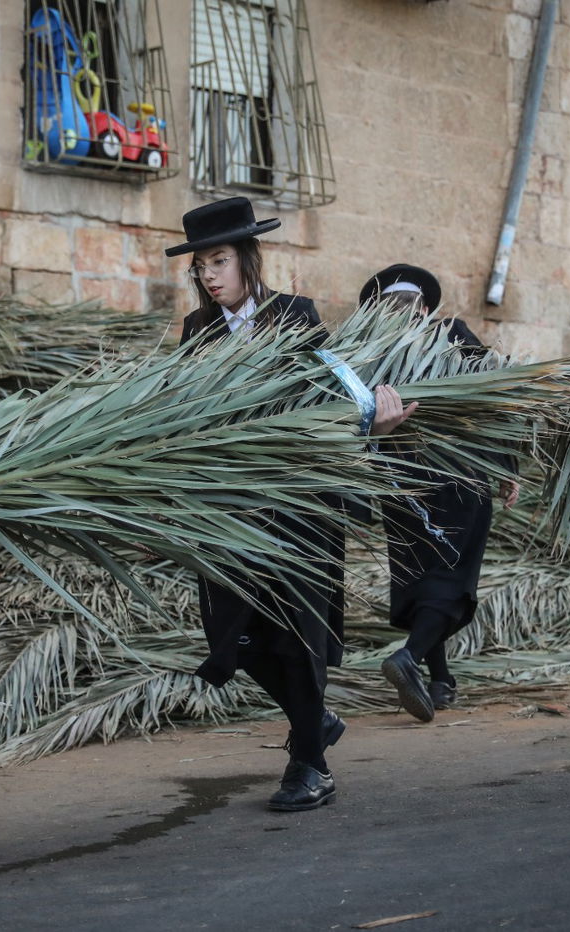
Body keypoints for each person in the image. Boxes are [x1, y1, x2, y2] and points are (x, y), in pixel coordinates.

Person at [166, 198, 413, 810]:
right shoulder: (197, 333)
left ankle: (310, 764)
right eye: (201, 266)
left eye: (219, 260)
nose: (210, 275)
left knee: (295, 635)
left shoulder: (294, 317)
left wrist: (373, 424)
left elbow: (337, 399)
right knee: (232, 640)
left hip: (299, 505)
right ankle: (315, 720)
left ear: (249, 258)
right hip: (229, 512)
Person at [358, 264, 520, 722]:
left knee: (420, 578)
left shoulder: (369, 356)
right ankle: (409, 657)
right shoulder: (449, 333)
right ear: (426, 309)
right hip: (458, 478)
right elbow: (493, 401)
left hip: (400, 485)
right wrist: (504, 465)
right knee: (450, 580)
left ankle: (441, 681)